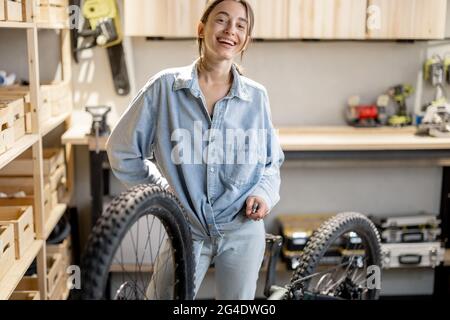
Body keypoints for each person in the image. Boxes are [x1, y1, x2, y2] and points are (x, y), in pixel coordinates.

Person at [106, 0, 284, 300]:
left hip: (242, 228)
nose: (231, 30)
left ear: (246, 40)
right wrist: (161, 193)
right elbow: (122, 150)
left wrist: (263, 194)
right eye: (222, 20)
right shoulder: (165, 88)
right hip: (185, 229)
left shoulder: (256, 97)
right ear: (201, 28)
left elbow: (271, 162)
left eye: (241, 25)